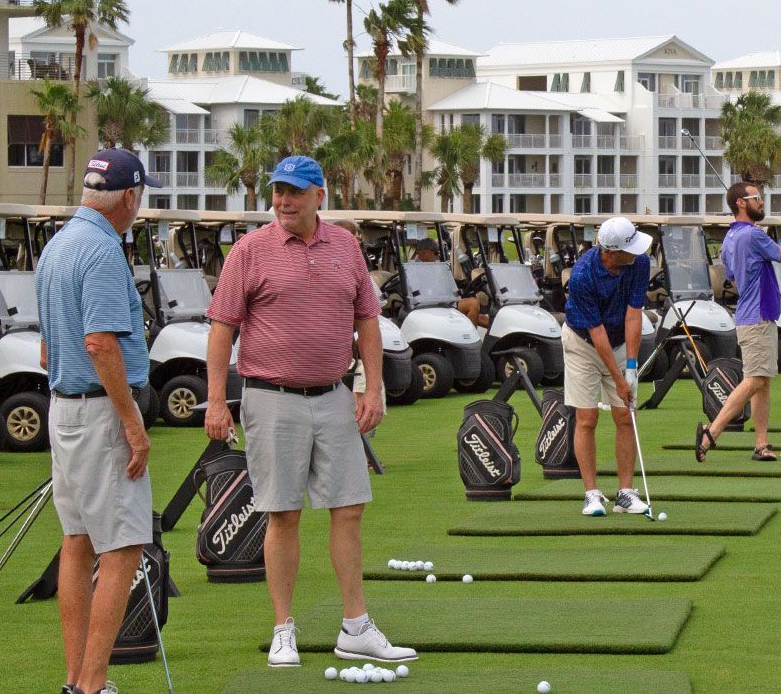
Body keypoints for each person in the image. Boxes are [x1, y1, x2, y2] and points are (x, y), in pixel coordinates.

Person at [203, 155, 416, 668]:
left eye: (294, 192)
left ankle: (355, 627)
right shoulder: (250, 251)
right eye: (278, 191)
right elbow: (222, 327)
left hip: (334, 395)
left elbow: (367, 319)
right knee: (283, 513)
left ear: (319, 195)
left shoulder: (345, 246)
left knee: (349, 506)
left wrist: (372, 389)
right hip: (271, 397)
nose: (283, 201)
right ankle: (284, 629)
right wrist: (216, 399)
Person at [35, 148, 158, 694]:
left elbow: (46, 349)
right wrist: (132, 423)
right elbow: (100, 343)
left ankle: (75, 681)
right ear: (129, 197)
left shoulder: (57, 245)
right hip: (98, 411)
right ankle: (92, 684)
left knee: (78, 540)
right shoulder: (104, 251)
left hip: (63, 408)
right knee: (123, 547)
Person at [561, 217, 653, 517]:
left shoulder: (638, 262)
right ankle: (591, 495)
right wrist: (618, 378)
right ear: (612, 252)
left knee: (625, 415)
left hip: (620, 340)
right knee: (587, 418)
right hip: (583, 343)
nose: (637, 251)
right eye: (630, 248)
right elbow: (596, 333)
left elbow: (633, 314)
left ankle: (625, 493)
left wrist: (631, 367)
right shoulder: (582, 275)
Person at [696, 181, 781, 462]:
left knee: (762, 381)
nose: (761, 201)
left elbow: (734, 280)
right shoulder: (755, 235)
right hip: (757, 317)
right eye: (756, 197)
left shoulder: (729, 240)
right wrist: (766, 237)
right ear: (741, 203)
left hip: (750, 315)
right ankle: (711, 433)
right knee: (755, 379)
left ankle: (761, 444)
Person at [413, 237, 487, 327]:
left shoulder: (437, 266)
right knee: (473, 304)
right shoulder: (416, 268)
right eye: (435, 253)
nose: (437, 256)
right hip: (430, 304)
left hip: (444, 301)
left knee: (482, 318)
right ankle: (470, 334)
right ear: (427, 251)